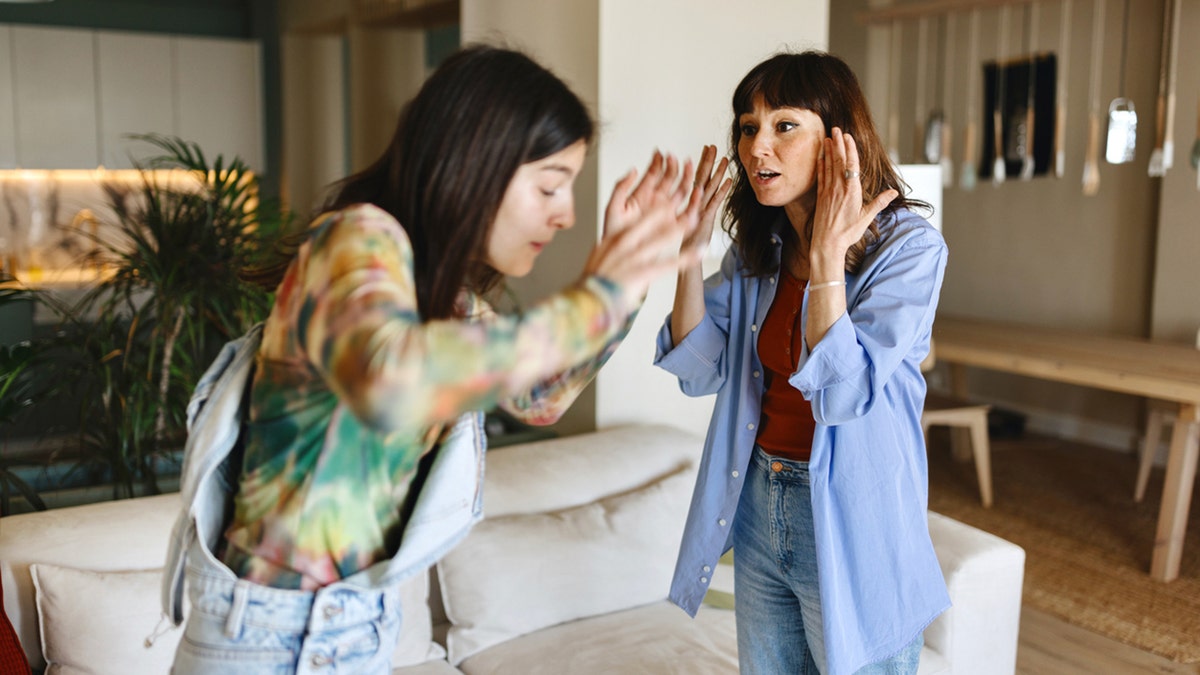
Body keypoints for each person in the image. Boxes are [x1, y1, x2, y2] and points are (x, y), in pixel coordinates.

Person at [165, 44, 703, 673]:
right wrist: (596, 296)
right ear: (478, 161)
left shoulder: (444, 299)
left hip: (355, 625)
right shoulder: (355, 238)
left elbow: (541, 397)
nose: (566, 215)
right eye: (551, 186)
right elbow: (390, 381)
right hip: (269, 636)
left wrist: (630, 272)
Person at [655, 50, 951, 675]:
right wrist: (687, 255)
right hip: (760, 505)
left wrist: (826, 264)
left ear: (838, 140)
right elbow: (698, 367)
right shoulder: (761, 248)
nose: (758, 147)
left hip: (854, 520)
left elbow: (842, 394)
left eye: (784, 125)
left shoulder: (909, 249)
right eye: (747, 126)